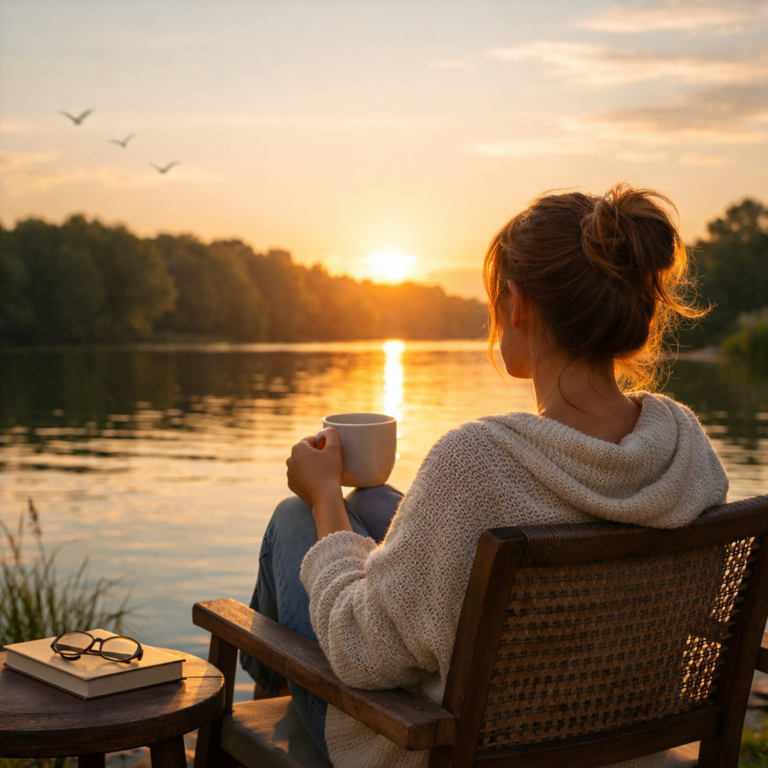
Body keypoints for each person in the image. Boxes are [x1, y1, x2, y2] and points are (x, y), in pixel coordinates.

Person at [241, 184, 729, 768]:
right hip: (616, 736)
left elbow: (360, 651)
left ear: (517, 304)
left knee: (294, 518)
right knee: (374, 502)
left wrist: (323, 496)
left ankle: (263, 717)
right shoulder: (688, 452)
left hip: (439, 748)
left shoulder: (476, 466)